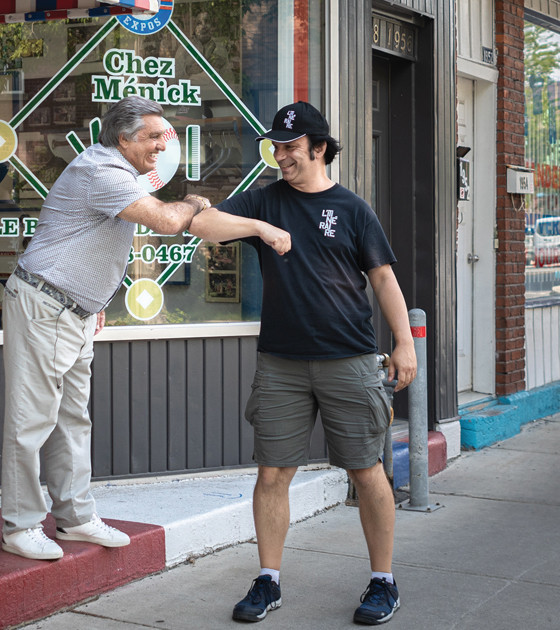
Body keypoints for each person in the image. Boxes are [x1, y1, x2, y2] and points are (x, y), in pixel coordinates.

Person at [0, 96, 287, 561]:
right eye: (153, 136)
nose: (162, 144)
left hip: (70, 309)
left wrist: (92, 300)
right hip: (45, 306)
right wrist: (194, 200)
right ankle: (20, 526)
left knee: (72, 421)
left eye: (164, 135)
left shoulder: (118, 174)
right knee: (31, 422)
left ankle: (73, 519)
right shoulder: (103, 172)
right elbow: (169, 220)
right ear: (123, 139)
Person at [188, 101, 417, 625]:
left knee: (367, 470)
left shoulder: (353, 209)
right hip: (281, 363)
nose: (280, 155)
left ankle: (383, 581)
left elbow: (383, 279)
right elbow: (204, 223)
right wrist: (261, 229)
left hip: (351, 357)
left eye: (290, 147)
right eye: (276, 146)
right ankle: (268, 580)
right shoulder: (266, 201)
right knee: (272, 473)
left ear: (319, 148)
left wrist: (404, 343)